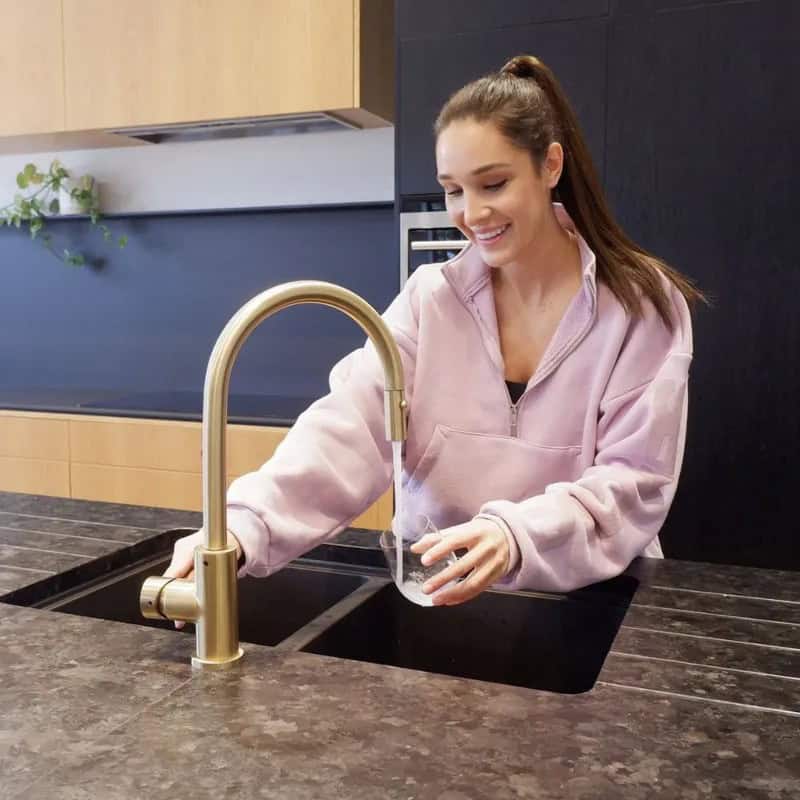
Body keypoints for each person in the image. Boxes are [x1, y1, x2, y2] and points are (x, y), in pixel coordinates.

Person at [165, 54, 704, 608]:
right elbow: (349, 427)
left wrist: (515, 535)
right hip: (442, 595)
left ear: (550, 166)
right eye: (453, 190)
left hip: (596, 605)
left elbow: (632, 481)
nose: (472, 213)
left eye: (493, 183)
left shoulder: (640, 305)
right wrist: (244, 525)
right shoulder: (430, 299)